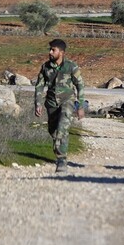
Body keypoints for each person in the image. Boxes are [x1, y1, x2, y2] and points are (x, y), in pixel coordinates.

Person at [34, 38, 85, 173]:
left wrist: (80, 106)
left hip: (67, 101)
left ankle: (61, 159)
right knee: (54, 131)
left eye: (53, 50)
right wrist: (38, 103)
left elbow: (80, 86)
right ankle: (59, 150)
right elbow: (39, 86)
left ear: (61, 52)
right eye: (50, 49)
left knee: (63, 127)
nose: (50, 52)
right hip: (51, 103)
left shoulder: (71, 67)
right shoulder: (45, 67)